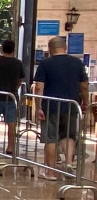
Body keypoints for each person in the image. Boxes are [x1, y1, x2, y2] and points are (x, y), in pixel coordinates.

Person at [32, 36, 89, 180]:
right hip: (71, 104)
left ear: (50, 48)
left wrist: (38, 107)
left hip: (50, 106)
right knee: (69, 136)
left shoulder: (45, 64)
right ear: (65, 48)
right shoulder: (77, 63)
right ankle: (69, 163)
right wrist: (85, 102)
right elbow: (84, 86)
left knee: (50, 138)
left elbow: (39, 87)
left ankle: (50, 172)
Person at [0, 40, 25, 155]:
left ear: (2, 48)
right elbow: (19, 80)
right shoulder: (18, 63)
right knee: (11, 123)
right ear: (13, 49)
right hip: (11, 97)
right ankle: (10, 147)